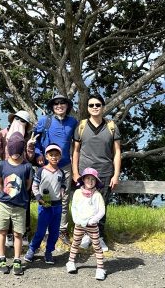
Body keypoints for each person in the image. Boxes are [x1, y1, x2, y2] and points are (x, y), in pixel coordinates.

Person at [71, 94, 121, 252]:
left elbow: (117, 152)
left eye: (98, 104)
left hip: (105, 173)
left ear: (103, 107)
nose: (94, 107)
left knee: (101, 206)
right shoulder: (82, 126)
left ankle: (98, 237)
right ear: (87, 108)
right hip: (84, 174)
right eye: (91, 105)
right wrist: (74, 172)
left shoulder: (111, 126)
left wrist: (116, 175)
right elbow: (76, 151)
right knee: (84, 205)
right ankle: (86, 235)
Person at [33, 94, 78, 244]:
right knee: (46, 197)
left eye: (62, 103)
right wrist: (38, 154)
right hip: (48, 165)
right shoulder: (45, 121)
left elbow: (77, 143)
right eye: (56, 103)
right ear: (52, 107)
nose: (59, 106)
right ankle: (45, 230)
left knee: (63, 199)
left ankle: (62, 230)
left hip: (64, 165)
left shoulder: (73, 122)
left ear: (67, 106)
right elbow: (35, 140)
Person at [0, 110, 35, 247]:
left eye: (23, 120)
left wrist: (30, 147)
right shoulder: (4, 133)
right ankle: (8, 233)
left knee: (24, 205)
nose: (19, 122)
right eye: (17, 118)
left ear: (27, 124)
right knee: (6, 205)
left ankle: (24, 232)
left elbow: (30, 159)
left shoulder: (28, 137)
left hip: (23, 173)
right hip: (7, 173)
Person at [0, 133, 33, 276]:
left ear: (22, 149)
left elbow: (28, 185)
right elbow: (0, 182)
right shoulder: (1, 165)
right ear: (8, 150)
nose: (15, 154)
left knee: (18, 233)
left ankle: (17, 259)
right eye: (12, 151)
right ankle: (2, 258)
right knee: (2, 231)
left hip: (20, 206)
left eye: (18, 151)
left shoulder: (27, 167)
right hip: (4, 204)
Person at [25, 144, 66, 264]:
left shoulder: (61, 172)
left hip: (57, 206)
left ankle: (49, 252)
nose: (54, 157)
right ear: (46, 156)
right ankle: (32, 249)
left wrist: (62, 190)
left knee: (54, 232)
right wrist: (38, 197)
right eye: (51, 155)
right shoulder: (41, 171)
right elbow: (34, 186)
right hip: (44, 205)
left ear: (60, 157)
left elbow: (63, 184)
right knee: (41, 231)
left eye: (56, 155)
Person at [66, 167, 107, 281]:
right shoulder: (78, 193)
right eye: (88, 178)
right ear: (83, 179)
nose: (90, 181)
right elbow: (73, 207)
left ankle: (100, 268)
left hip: (92, 225)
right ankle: (70, 262)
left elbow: (101, 211)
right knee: (75, 243)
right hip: (79, 223)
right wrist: (76, 219)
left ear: (96, 181)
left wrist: (93, 220)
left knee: (97, 246)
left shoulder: (97, 195)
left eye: (93, 179)